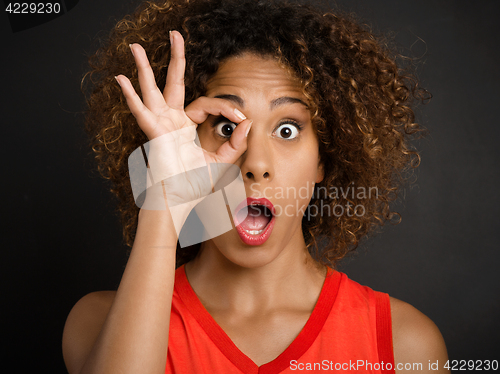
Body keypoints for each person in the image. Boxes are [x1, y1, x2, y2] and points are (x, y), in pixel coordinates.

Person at [62, 0, 448, 373]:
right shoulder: (98, 324)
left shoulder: (404, 345)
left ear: (323, 159)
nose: (256, 164)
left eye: (286, 129)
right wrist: (164, 199)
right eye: (226, 127)